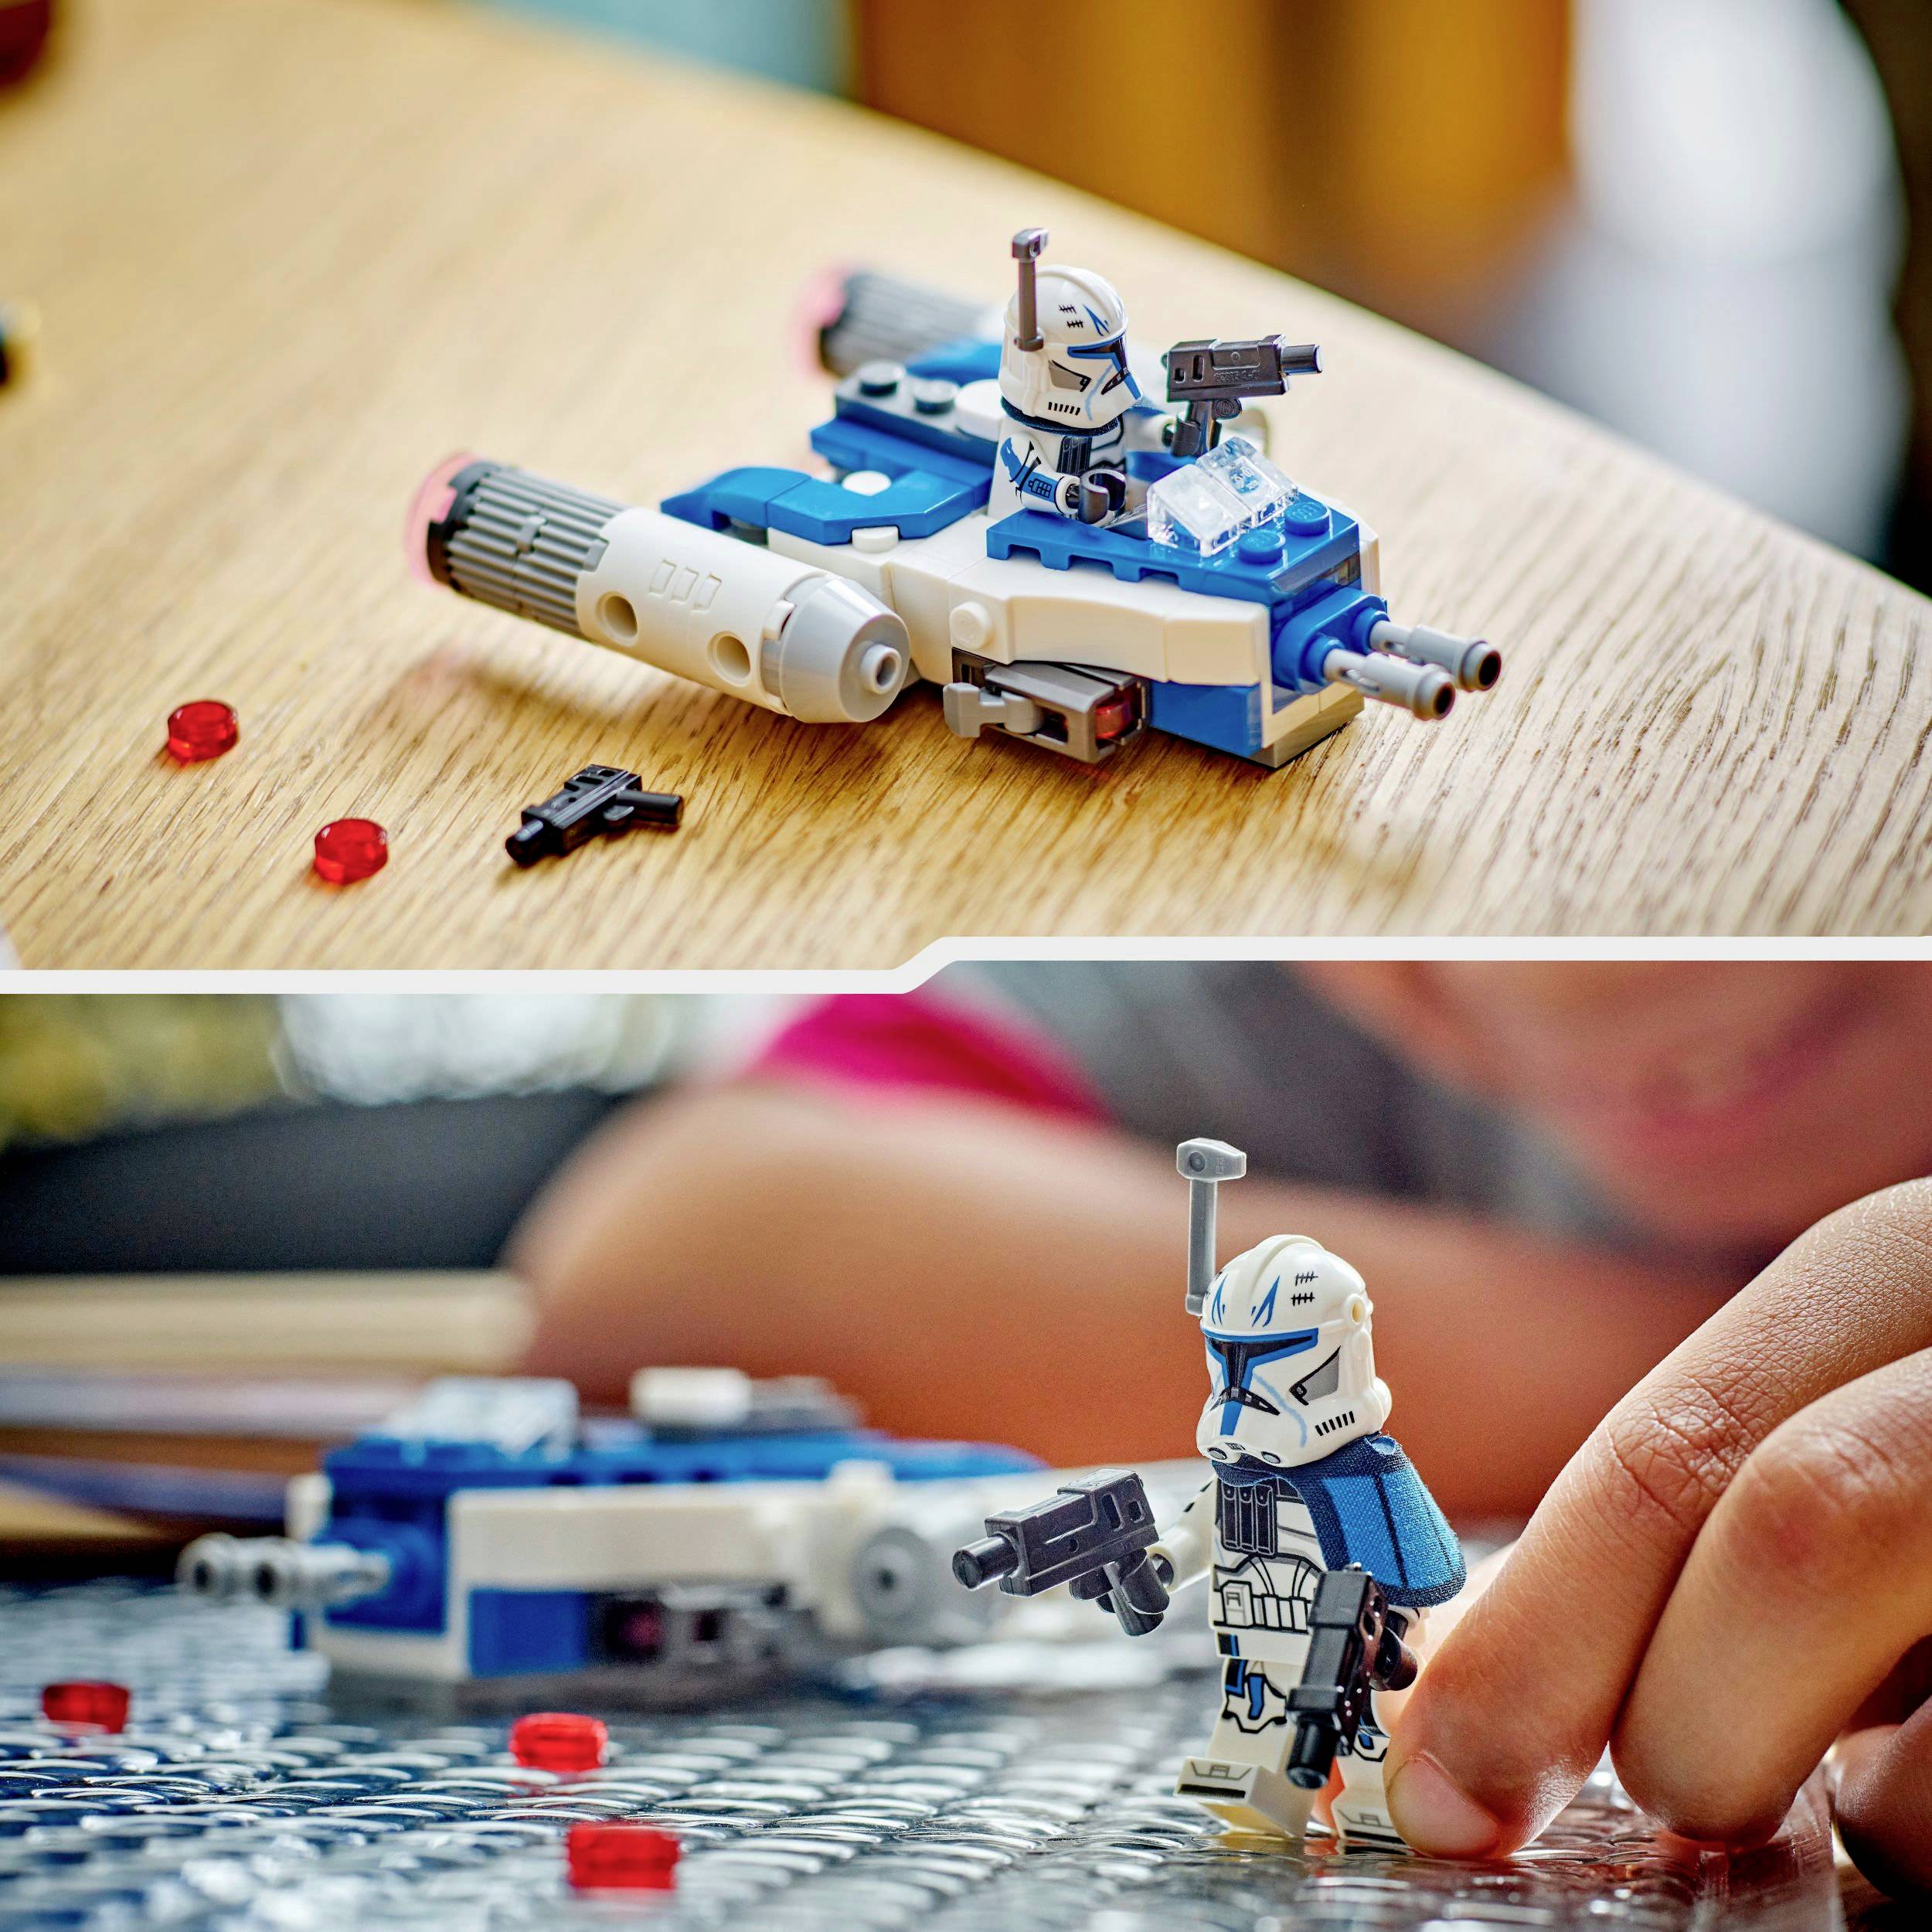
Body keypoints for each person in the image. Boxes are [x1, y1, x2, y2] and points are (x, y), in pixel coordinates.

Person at [511, 961, 1932, 1896]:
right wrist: (1739, 1405)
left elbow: (1417, 1569)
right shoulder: (1269, 970)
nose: (1571, 981)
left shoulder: (1365, 1469)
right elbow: (682, 1243)